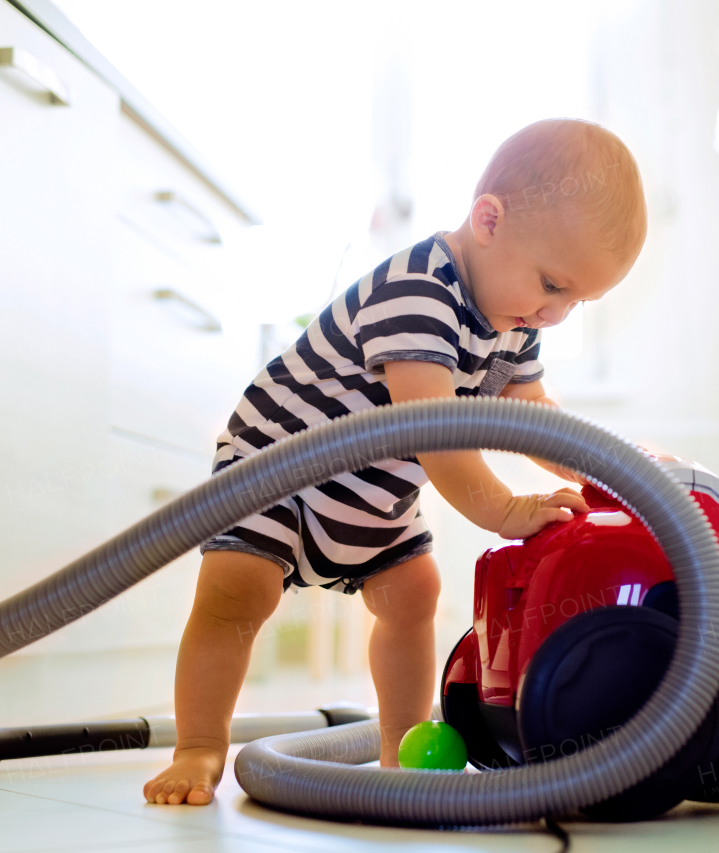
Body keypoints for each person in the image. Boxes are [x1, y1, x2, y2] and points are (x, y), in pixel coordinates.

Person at [144, 118, 647, 805]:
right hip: (280, 464)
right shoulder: (419, 290)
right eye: (552, 284)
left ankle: (401, 750)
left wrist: (609, 467)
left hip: (372, 488)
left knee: (414, 594)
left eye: (576, 301)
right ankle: (199, 745)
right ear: (488, 220)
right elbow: (437, 431)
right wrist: (505, 510)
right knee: (239, 591)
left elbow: (532, 416)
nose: (553, 314)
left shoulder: (513, 319)